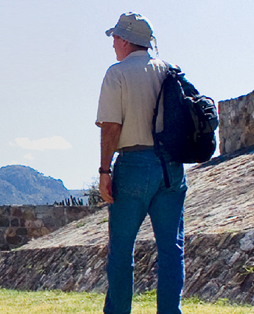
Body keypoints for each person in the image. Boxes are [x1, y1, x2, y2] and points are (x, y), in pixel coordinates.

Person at [96, 12, 188, 314]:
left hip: (133, 165)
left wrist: (104, 171)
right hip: (171, 168)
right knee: (171, 251)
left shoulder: (117, 73)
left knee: (121, 252)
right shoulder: (170, 70)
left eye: (114, 39)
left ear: (124, 39)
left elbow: (111, 128)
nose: (112, 45)